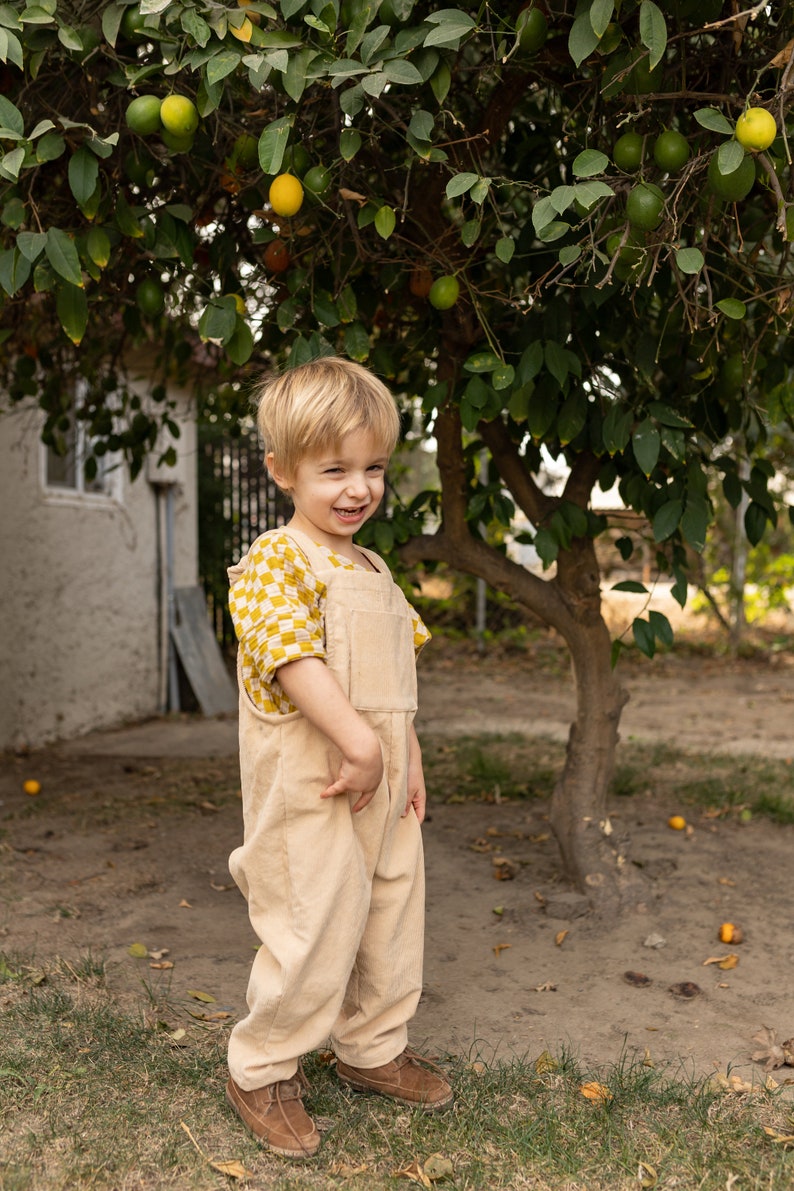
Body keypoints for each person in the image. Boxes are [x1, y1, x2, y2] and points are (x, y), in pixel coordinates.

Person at [224, 356, 452, 1159]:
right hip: (314, 786)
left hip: (382, 784)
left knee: (391, 914)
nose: (359, 488)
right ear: (282, 471)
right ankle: (262, 1065)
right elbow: (291, 657)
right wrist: (358, 742)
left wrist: (405, 754)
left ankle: (372, 1047)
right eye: (334, 470)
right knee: (313, 921)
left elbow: (397, 682)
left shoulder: (376, 569)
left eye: (374, 468)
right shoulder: (272, 564)